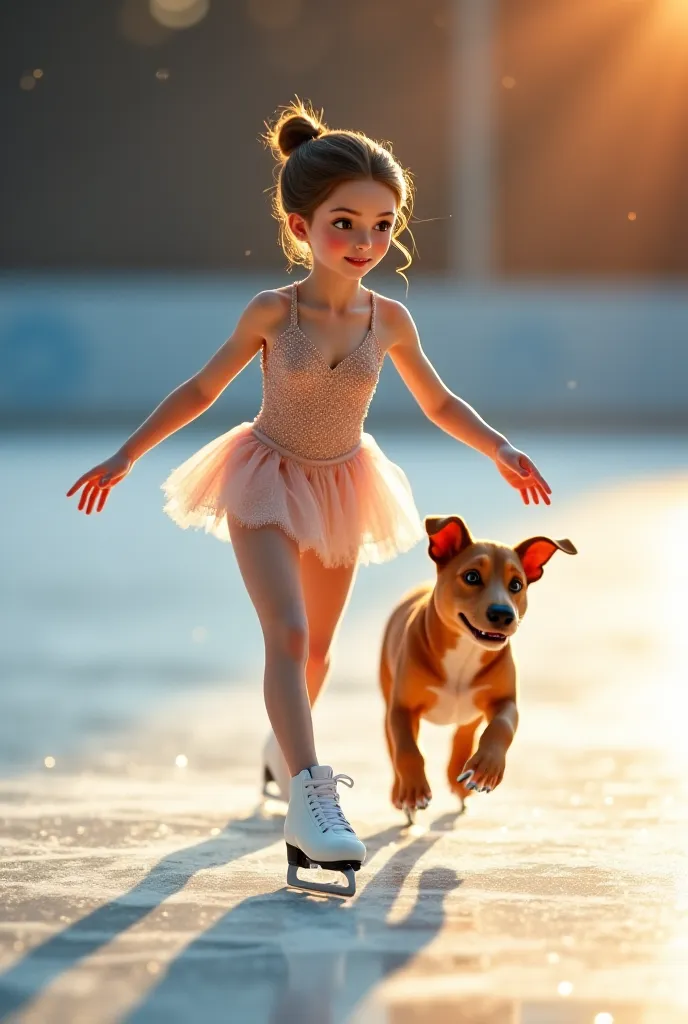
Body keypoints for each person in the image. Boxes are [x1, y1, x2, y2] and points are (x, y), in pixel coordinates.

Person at [66, 99, 551, 896]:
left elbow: (437, 401)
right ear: (300, 226)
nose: (365, 243)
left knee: (319, 650)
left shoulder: (389, 320)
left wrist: (498, 444)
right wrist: (126, 454)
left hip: (344, 483)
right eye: (344, 223)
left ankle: (278, 750)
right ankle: (310, 796)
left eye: (382, 225)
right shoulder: (273, 310)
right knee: (287, 637)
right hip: (264, 476)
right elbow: (201, 388)